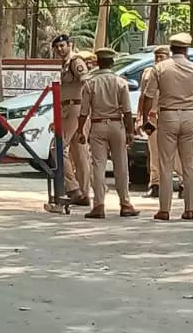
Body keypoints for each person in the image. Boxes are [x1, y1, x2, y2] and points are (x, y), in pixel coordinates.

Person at [141, 33, 193, 220]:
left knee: (166, 164)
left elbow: (148, 96)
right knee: (189, 165)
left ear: (171, 49)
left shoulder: (160, 68)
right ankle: (190, 209)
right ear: (187, 49)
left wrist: (145, 119)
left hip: (167, 115)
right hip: (189, 116)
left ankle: (164, 209)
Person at [78, 47, 138, 218]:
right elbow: (127, 111)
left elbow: (83, 112)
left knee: (98, 166)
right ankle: (125, 204)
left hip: (97, 126)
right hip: (116, 125)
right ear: (112, 63)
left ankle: (99, 205)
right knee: (121, 165)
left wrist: (81, 131)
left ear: (98, 62)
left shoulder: (91, 83)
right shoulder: (120, 82)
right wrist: (130, 132)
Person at [54, 34, 92, 207]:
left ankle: (74, 188)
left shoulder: (76, 62)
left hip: (76, 108)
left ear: (70, 45)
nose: (60, 49)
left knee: (57, 148)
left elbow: (86, 83)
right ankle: (83, 194)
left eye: (63, 45)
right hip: (67, 108)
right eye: (57, 47)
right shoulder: (64, 65)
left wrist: (86, 107)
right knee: (78, 151)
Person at [139, 45, 172, 198]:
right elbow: (143, 97)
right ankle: (155, 184)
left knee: (174, 153)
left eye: (162, 56)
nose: (158, 59)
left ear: (169, 57)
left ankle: (183, 183)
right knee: (154, 152)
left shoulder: (174, 72)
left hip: (169, 116)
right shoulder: (148, 73)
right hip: (152, 117)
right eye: (157, 56)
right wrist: (141, 118)